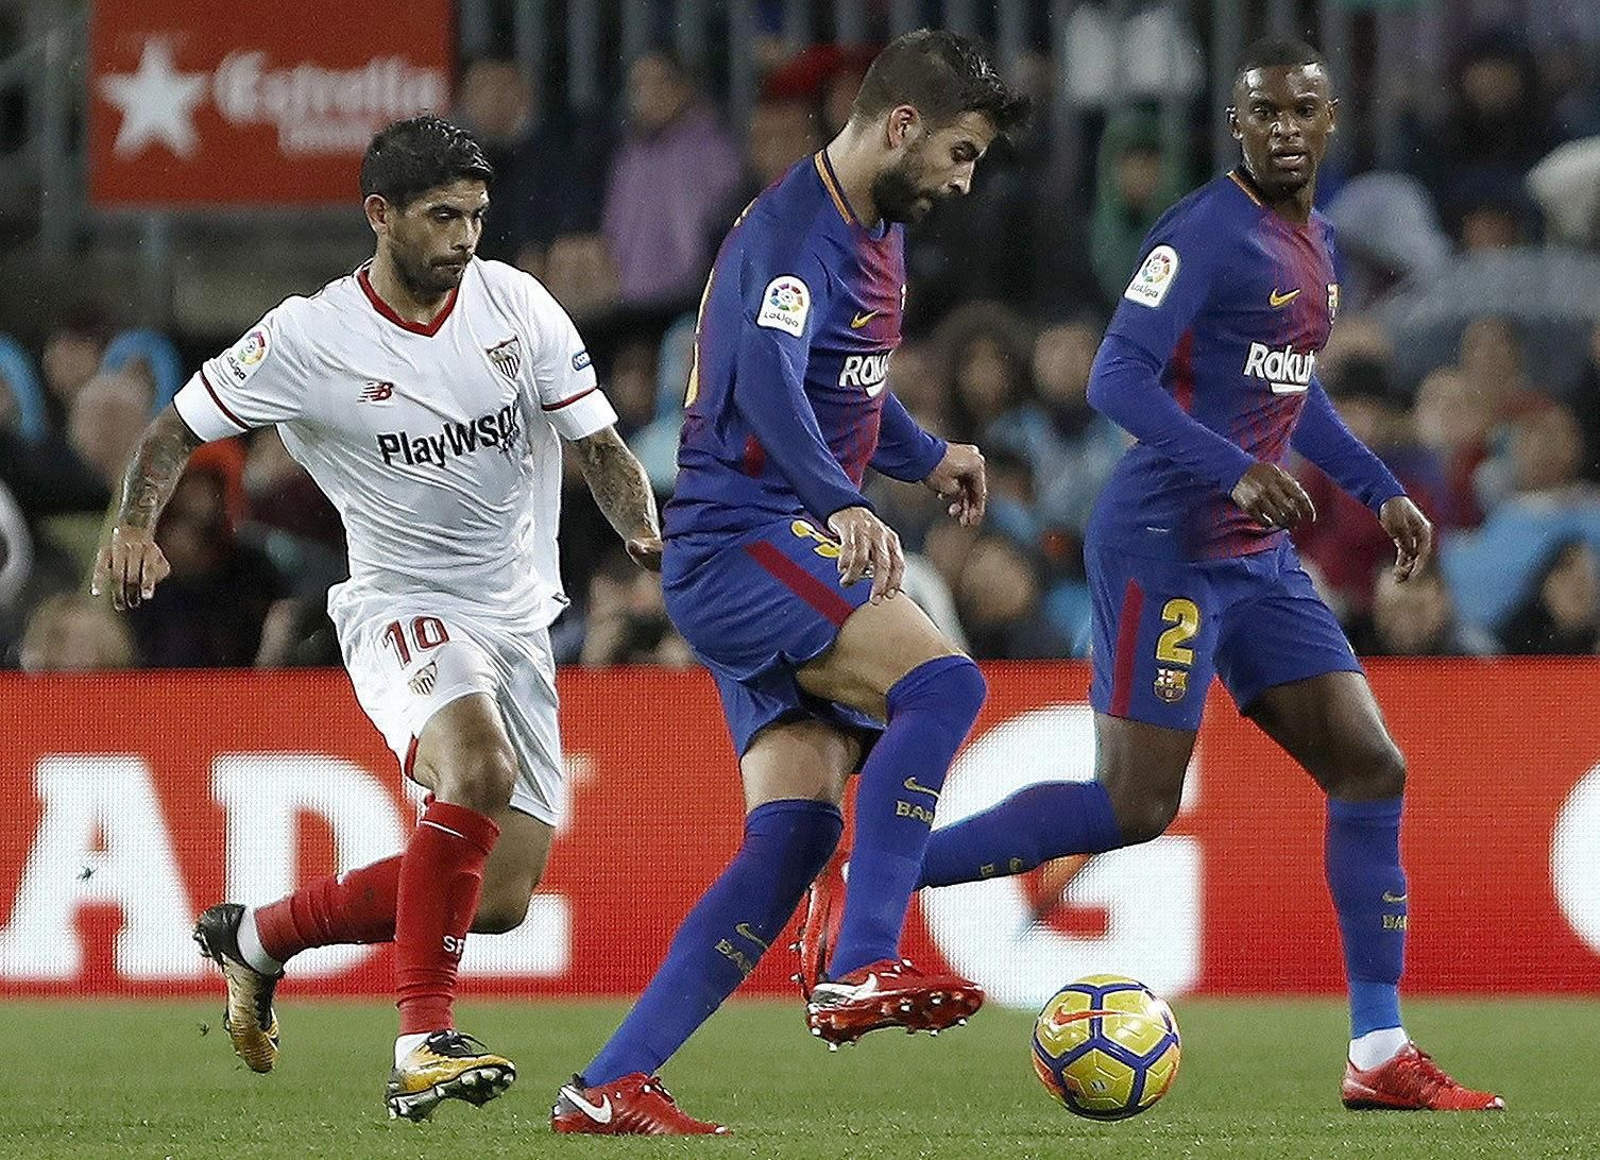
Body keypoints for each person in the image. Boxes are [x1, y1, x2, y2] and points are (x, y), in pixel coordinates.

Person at [802, 37, 1504, 1113]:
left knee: (1371, 768)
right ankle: (870, 877)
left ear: (1327, 125)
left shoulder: (1315, 241)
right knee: (1133, 803)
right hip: (1164, 544)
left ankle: (1376, 1048)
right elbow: (1114, 377)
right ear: (1237, 124)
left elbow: (1289, 387)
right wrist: (1234, 469)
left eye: (1300, 112)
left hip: (1255, 558)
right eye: (1262, 110)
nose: (1282, 128)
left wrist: (1378, 487)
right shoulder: (1205, 233)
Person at [92, 116, 661, 1122]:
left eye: (477, 216)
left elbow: (603, 447)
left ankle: (258, 936)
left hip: (517, 621)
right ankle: (420, 1042)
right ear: (380, 215)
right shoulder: (312, 338)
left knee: (496, 896)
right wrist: (134, 526)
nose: (463, 237)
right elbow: (175, 426)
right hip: (403, 606)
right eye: (442, 216)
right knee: (474, 771)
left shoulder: (516, 305)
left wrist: (651, 538)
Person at [551, 30, 1027, 1136]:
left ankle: (610, 1079)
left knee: (796, 832)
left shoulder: (873, 226)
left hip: (758, 539)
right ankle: (862, 954)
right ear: (900, 125)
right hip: (744, 536)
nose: (965, 179)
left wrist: (924, 454)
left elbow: (844, 386)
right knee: (945, 686)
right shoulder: (792, 231)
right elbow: (766, 384)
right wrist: (846, 501)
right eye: (960, 153)